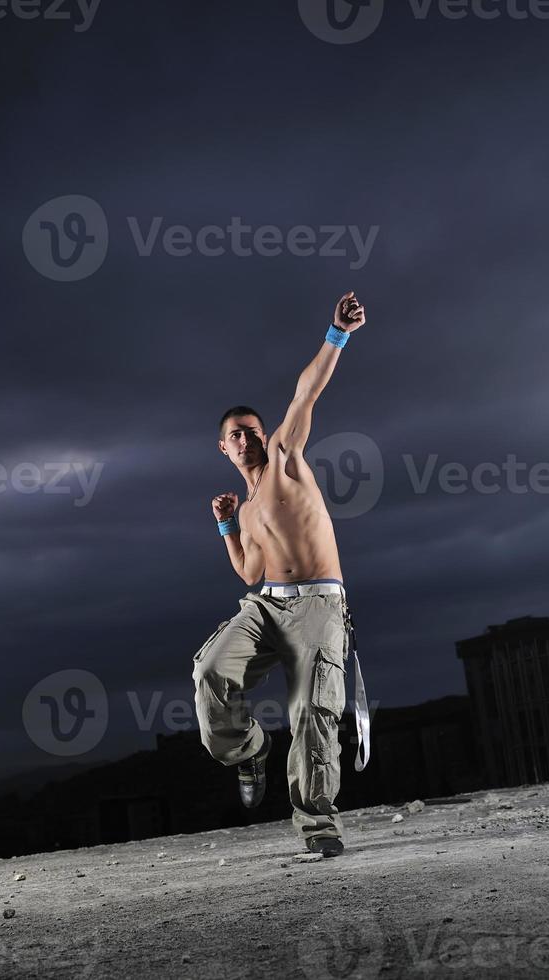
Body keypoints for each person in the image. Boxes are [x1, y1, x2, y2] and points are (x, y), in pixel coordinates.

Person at [191, 292, 371, 858]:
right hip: (266, 605)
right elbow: (248, 572)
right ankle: (248, 752)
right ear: (223, 448)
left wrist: (335, 334)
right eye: (235, 435)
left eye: (251, 430)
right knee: (211, 672)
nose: (246, 439)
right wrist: (226, 528)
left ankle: (317, 825)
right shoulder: (244, 509)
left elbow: (306, 392)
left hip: (317, 604)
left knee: (312, 711)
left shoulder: (286, 460)